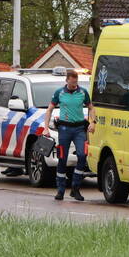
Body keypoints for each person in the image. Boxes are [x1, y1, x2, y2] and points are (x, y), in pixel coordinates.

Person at [43, 69, 95, 201]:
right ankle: (60, 190)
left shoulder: (83, 92)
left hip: (79, 129)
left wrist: (93, 122)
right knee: (62, 158)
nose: (74, 85)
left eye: (76, 83)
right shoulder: (59, 93)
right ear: (67, 81)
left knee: (82, 156)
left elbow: (91, 107)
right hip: (64, 129)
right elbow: (49, 110)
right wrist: (45, 128)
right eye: (72, 83)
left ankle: (75, 188)